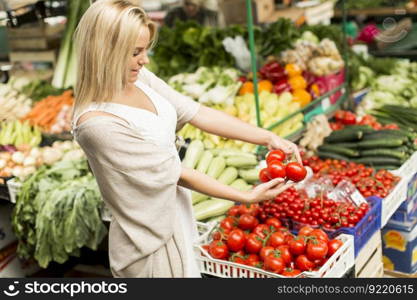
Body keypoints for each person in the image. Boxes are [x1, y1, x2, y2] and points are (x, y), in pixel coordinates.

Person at [71, 0, 301, 278]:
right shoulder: (96, 124)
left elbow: (197, 112)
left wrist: (268, 138)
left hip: (177, 215)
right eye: (135, 52)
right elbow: (177, 172)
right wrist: (245, 196)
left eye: (145, 50)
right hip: (149, 241)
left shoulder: (138, 78)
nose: (144, 60)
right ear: (104, 51)